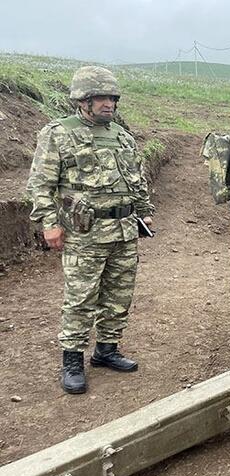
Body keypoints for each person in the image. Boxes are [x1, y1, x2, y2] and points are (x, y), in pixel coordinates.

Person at [26, 66, 154, 395]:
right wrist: (50, 223)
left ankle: (106, 350)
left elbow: (136, 180)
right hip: (85, 233)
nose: (108, 103)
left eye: (112, 97)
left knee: (119, 295)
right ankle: (72, 360)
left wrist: (144, 213)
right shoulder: (58, 134)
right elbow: (41, 184)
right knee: (81, 298)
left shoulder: (122, 136)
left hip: (123, 231)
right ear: (82, 100)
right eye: (101, 98)